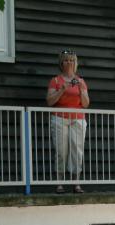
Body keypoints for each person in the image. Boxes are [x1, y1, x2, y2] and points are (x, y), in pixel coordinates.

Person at [47, 50, 90, 194]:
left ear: (75, 63)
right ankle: (59, 184)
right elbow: (49, 101)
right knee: (61, 151)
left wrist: (80, 89)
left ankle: (76, 183)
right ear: (61, 63)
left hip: (78, 119)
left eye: (71, 60)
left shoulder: (81, 81)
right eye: (66, 60)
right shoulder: (55, 80)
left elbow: (86, 104)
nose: (69, 62)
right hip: (59, 118)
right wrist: (62, 90)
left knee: (77, 151)